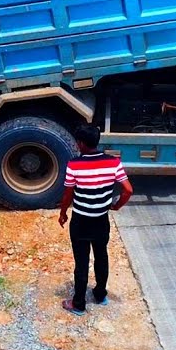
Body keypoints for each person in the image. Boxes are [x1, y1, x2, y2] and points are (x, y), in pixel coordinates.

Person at [58, 123, 133, 315]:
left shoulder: (74, 165)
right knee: (101, 256)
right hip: (101, 220)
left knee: (81, 261)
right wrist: (116, 205)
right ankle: (100, 295)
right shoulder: (113, 162)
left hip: (81, 221)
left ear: (81, 143)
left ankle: (79, 304)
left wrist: (63, 212)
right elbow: (128, 190)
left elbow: (68, 194)